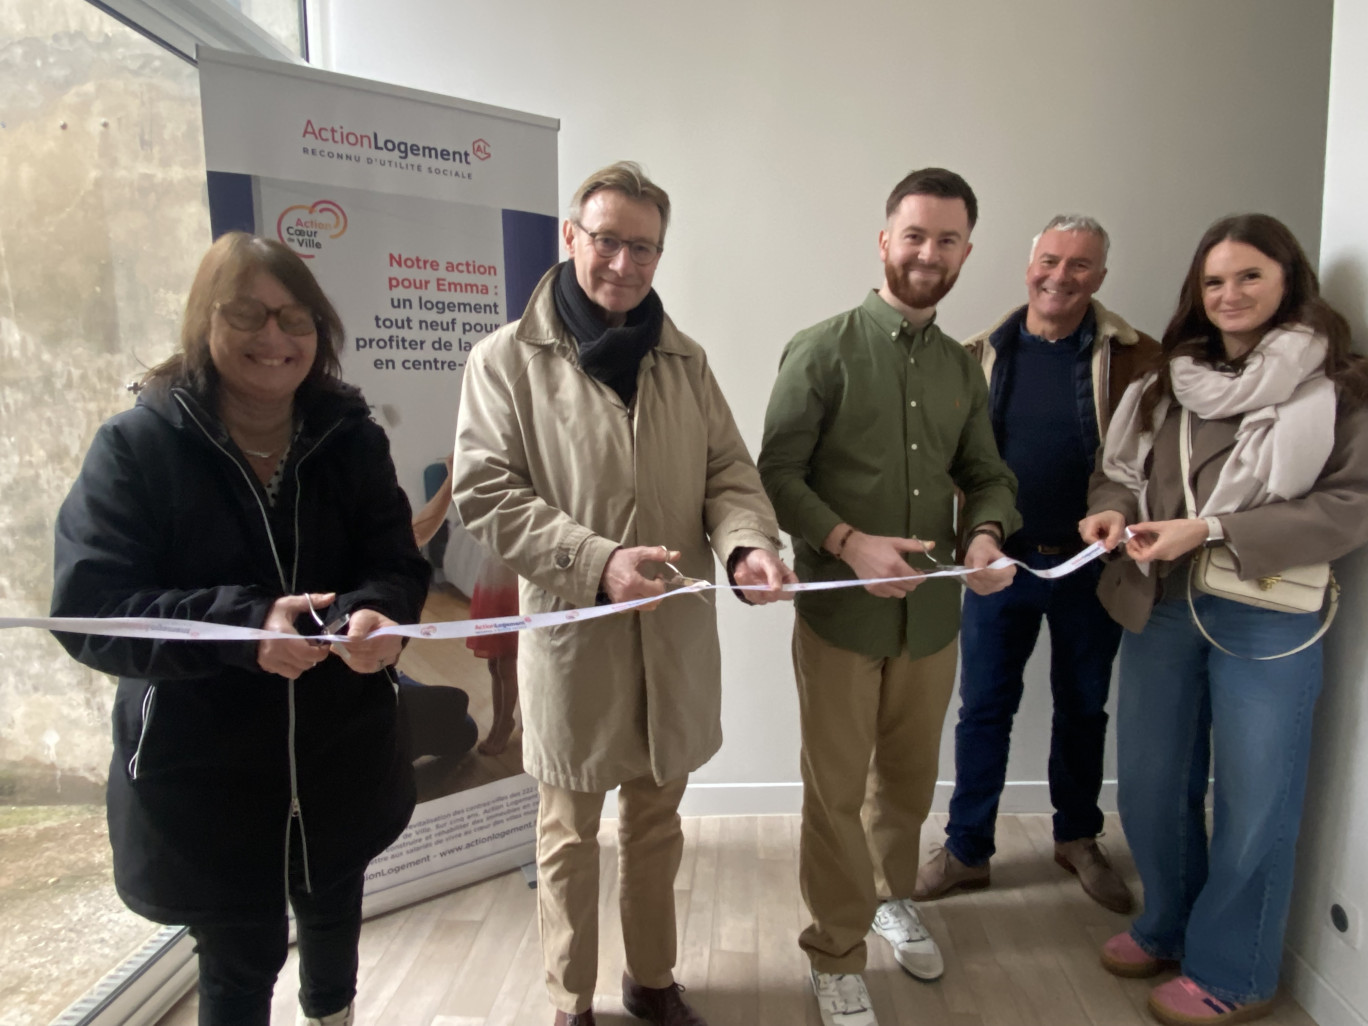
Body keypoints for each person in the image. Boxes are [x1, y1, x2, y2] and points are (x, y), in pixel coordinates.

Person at [50, 232, 430, 1026]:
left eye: (296, 318)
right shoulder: (135, 449)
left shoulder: (353, 440)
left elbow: (396, 563)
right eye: (247, 313)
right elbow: (91, 608)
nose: (274, 338)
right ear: (203, 322)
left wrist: (381, 615)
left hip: (343, 757)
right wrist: (243, 627)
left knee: (333, 925)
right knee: (238, 963)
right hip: (208, 780)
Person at [453, 161, 795, 1026]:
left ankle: (651, 981)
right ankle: (571, 1001)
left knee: (656, 826)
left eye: (644, 247)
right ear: (571, 238)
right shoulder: (505, 360)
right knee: (569, 834)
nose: (624, 262)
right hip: (577, 640)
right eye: (607, 241)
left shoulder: (685, 361)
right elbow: (485, 491)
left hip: (672, 641)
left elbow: (729, 473)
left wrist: (749, 546)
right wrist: (595, 559)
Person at [1079, 213, 1368, 1026]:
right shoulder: (1166, 382)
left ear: (1290, 284)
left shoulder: (1337, 389)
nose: (1230, 294)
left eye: (1249, 277)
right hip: (1160, 600)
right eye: (1214, 281)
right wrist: (1111, 515)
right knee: (1151, 780)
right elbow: (1116, 475)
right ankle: (1167, 926)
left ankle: (1234, 972)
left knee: (1254, 797)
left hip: (1268, 614)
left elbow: (1351, 507)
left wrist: (1214, 530)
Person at [758, 167, 1020, 1026]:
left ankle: (889, 898)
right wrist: (846, 541)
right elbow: (777, 474)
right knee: (834, 791)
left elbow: (986, 475)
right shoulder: (821, 348)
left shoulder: (961, 368)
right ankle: (835, 954)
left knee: (905, 784)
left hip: (934, 621)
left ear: (966, 254)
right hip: (840, 614)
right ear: (884, 240)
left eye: (947, 241)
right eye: (914, 235)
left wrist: (984, 535)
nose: (928, 253)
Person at [915, 215, 1158, 913]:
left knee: (1084, 707)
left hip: (1092, 568)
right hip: (1000, 565)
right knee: (984, 709)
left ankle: (1077, 838)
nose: (1061, 275)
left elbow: (1147, 465)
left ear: (1101, 279)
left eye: (1080, 265)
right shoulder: (976, 355)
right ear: (1028, 267)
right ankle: (967, 849)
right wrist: (967, 543)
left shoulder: (1140, 357)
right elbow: (955, 466)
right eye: (1050, 260)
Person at [465, 552, 520, 755]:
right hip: (493, 572)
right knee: (493, 662)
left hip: (516, 574)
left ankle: (506, 722)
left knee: (507, 662)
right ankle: (499, 720)